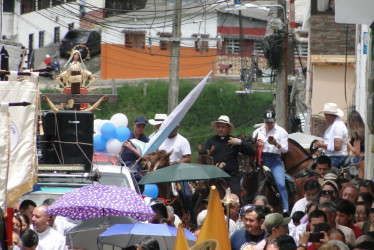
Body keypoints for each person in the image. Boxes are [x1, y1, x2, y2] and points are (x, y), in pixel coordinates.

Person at [204, 115, 254, 200]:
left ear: (228, 128)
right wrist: (216, 165)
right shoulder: (211, 141)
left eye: (222, 127)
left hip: (231, 176)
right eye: (218, 127)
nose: (220, 129)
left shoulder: (233, 140)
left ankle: (238, 211)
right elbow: (203, 156)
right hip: (214, 175)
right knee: (197, 195)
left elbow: (251, 152)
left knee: (236, 198)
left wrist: (240, 142)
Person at [253, 110, 289, 213]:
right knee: (245, 180)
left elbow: (285, 149)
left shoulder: (282, 132)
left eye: (271, 121)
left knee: (280, 184)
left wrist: (276, 144)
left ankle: (285, 207)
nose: (269, 124)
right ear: (264, 121)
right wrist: (257, 146)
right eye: (267, 121)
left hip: (274, 159)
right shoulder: (257, 131)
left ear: (275, 120)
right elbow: (251, 144)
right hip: (260, 159)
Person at [158, 125, 193, 222]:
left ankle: (189, 215)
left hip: (177, 173)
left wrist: (175, 163)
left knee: (185, 194)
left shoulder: (182, 141)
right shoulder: (160, 140)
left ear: (177, 127)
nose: (171, 129)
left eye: (173, 127)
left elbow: (188, 158)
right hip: (161, 173)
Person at [313, 103, 348, 168]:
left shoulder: (338, 127)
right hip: (331, 156)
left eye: (326, 115)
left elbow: (337, 147)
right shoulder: (333, 126)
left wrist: (322, 145)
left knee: (322, 171)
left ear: (331, 116)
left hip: (337, 157)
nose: (325, 116)